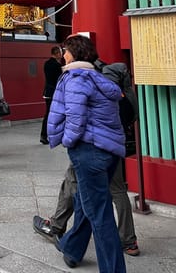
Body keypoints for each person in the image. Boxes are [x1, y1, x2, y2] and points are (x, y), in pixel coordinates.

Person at [33, 60, 140, 256]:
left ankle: (57, 227)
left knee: (73, 184)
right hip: (115, 147)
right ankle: (128, 240)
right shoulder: (122, 93)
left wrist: (68, 140)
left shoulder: (98, 89)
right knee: (117, 191)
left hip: (91, 147)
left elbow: (77, 116)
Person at [47, 34, 127, 272]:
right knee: (85, 201)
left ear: (73, 53)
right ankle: (72, 248)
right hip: (110, 149)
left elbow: (75, 116)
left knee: (100, 214)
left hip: (88, 150)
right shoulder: (98, 78)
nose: (63, 54)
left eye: (65, 50)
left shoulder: (74, 78)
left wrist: (68, 141)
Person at [40, 45, 63, 144]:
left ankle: (44, 135)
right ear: (57, 53)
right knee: (57, 114)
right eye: (61, 53)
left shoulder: (46, 63)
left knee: (48, 114)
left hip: (47, 92)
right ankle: (54, 134)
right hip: (55, 92)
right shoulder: (57, 66)